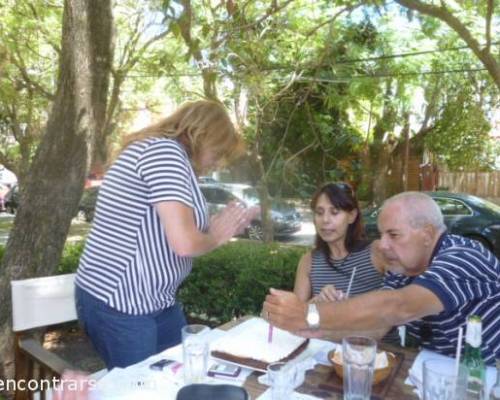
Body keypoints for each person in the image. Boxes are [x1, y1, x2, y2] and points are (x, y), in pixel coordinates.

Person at [75, 100, 257, 369]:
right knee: (143, 389)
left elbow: (172, 228)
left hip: (156, 300)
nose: (217, 163)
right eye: (218, 153)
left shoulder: (172, 158)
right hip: (122, 301)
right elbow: (184, 243)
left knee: (186, 374)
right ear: (200, 134)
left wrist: (222, 226)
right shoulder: (164, 153)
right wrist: (217, 236)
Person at [264, 191, 500, 364]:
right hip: (437, 371)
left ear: (427, 234)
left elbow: (398, 306)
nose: (383, 245)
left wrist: (309, 315)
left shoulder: (463, 256)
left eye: (393, 235)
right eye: (382, 234)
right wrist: (315, 330)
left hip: (487, 375)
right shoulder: (403, 269)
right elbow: (376, 328)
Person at [293, 182, 398, 342]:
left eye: (335, 212)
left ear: (352, 216)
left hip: (380, 356)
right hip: (326, 352)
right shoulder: (309, 261)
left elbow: (394, 310)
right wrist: (315, 304)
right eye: (319, 213)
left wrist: (351, 308)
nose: (325, 220)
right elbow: (295, 318)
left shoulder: (377, 252)